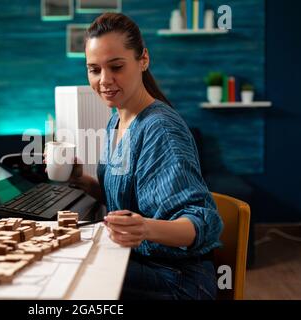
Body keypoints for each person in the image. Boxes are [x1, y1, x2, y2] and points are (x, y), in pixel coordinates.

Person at [67, 12, 224, 300]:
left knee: (72, 281)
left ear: (143, 60)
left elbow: (204, 222)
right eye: (94, 69)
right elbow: (127, 198)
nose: (104, 80)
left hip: (177, 280)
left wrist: (144, 228)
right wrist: (82, 181)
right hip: (141, 263)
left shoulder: (160, 128)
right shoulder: (117, 120)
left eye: (116, 66)